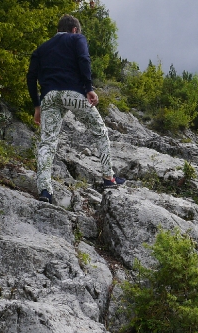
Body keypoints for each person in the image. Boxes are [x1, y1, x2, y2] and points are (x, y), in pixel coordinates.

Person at [27, 14, 125, 204]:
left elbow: (31, 77)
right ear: (74, 30)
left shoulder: (41, 48)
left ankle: (45, 191)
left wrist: (37, 105)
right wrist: (89, 88)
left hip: (49, 97)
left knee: (47, 142)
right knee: (100, 131)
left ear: (58, 30)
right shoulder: (77, 38)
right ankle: (108, 178)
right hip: (74, 94)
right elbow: (83, 59)